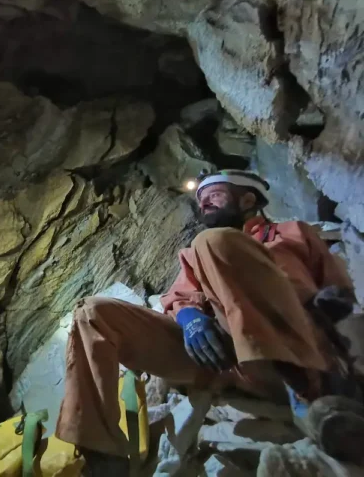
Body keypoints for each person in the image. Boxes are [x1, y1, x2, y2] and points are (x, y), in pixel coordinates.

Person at [54, 169, 361, 475]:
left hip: (295, 358)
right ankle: (102, 452)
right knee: (92, 313)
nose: (204, 204)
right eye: (201, 200)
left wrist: (328, 306)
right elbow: (178, 297)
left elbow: (340, 292)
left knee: (213, 242)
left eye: (213, 196)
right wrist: (189, 318)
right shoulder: (196, 254)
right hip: (218, 358)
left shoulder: (293, 233)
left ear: (248, 199)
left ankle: (310, 400)